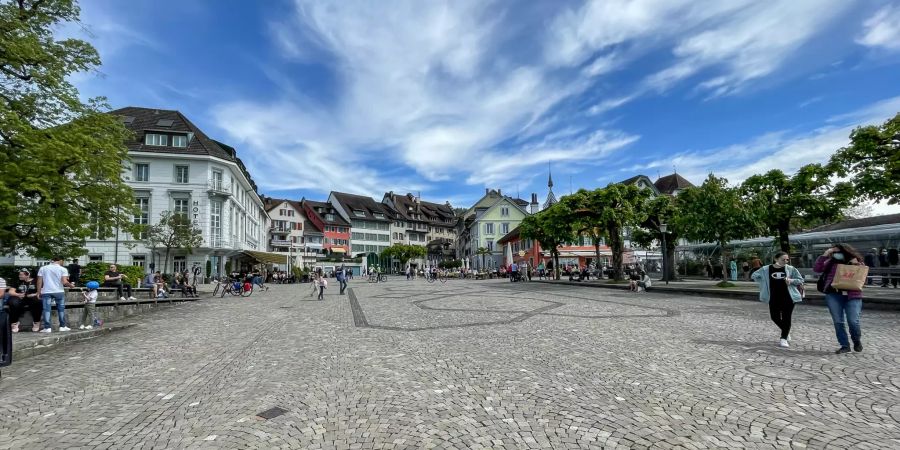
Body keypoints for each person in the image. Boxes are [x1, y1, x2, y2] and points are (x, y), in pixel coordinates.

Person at [814, 244, 866, 354]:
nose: (836, 254)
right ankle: (844, 345)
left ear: (845, 251)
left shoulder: (855, 260)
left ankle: (856, 341)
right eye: (833, 252)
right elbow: (817, 269)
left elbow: (862, 275)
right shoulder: (830, 262)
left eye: (838, 252)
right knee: (838, 321)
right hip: (833, 295)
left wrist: (855, 263)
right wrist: (825, 255)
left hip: (853, 295)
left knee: (853, 321)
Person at [751, 251, 804, 348]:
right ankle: (786, 331)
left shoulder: (790, 269)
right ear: (776, 259)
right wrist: (763, 282)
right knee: (774, 317)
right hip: (773, 297)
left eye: (787, 259)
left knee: (786, 317)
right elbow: (754, 276)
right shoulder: (766, 269)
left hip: (789, 297)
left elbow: (800, 280)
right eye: (783, 259)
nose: (785, 261)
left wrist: (791, 281)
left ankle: (783, 338)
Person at [36, 256, 75, 333]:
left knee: (46, 309)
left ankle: (47, 328)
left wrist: (38, 291)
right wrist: (71, 286)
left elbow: (39, 281)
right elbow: (64, 282)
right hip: (59, 291)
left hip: (46, 291)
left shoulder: (43, 268)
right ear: (60, 260)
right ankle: (62, 326)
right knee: (61, 309)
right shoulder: (63, 269)